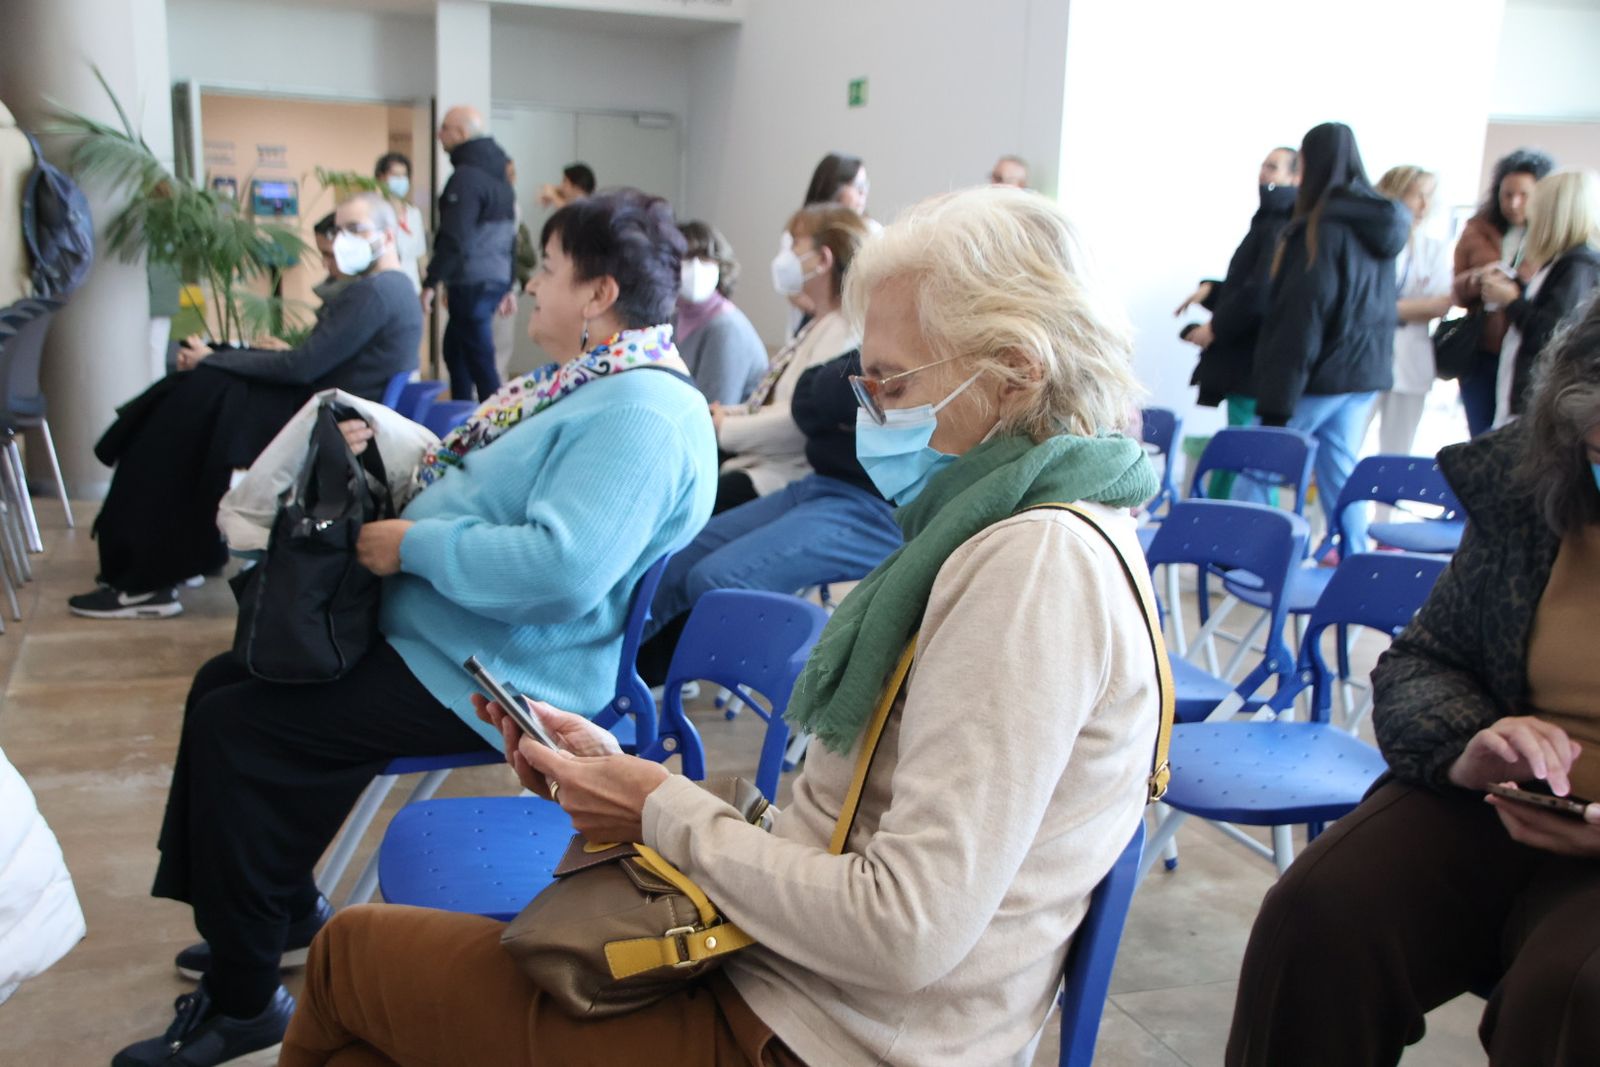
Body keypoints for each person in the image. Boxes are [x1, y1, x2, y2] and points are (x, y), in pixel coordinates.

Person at [275, 183, 1164, 1067]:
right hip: (795, 985)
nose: (874, 410)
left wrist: (656, 806)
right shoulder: (1014, 531)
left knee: (350, 958)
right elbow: (854, 845)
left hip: (817, 1033)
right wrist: (629, 787)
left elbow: (904, 927)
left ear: (1014, 374)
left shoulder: (1036, 565)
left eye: (892, 380)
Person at [111, 189, 716, 1067]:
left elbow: (559, 570)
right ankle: (277, 908)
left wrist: (415, 545)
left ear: (599, 294)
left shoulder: (641, 414)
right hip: (445, 640)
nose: (531, 287)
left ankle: (244, 1001)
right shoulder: (591, 385)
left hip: (494, 677)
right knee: (223, 686)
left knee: (240, 730)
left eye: (547, 269)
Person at [1225, 294, 1600, 1067]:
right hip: (1508, 798)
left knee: (1568, 993)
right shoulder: (1540, 499)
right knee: (1318, 913)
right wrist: (1471, 744)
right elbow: (1425, 658)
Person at [67, 192, 421, 621]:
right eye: (336, 229)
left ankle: (146, 580)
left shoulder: (375, 293)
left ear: (385, 237)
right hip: (317, 404)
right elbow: (316, 358)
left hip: (323, 416)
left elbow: (302, 366)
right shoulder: (388, 289)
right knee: (189, 397)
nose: (340, 239)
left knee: (184, 411)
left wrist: (213, 358)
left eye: (353, 229)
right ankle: (178, 557)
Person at [636, 345, 902, 683]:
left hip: (878, 510)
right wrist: (856, 396)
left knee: (717, 584)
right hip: (820, 484)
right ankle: (613, 681)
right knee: (669, 559)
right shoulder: (883, 331)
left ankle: (662, 688)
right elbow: (806, 398)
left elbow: (830, 397)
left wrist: (846, 396)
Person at [1251, 122, 1409, 557]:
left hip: (1323, 373)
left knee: (1257, 460)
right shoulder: (1381, 227)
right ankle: (1356, 558)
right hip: (1366, 371)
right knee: (1339, 470)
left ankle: (1239, 554)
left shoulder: (1317, 229)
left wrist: (1277, 402)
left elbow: (1302, 321)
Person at [717, 204, 866, 513]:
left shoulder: (845, 329)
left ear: (823, 259)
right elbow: (773, 401)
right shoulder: (819, 323)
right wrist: (729, 414)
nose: (785, 255)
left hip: (784, 473)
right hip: (764, 462)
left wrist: (724, 429)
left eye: (795, 244)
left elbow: (800, 417)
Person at [1178, 145, 1301, 434]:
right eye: (1264, 165)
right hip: (1246, 359)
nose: (1263, 172)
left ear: (1296, 178)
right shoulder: (1268, 220)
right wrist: (1211, 291)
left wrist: (1216, 327)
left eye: (1273, 167)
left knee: (1242, 447)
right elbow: (1247, 286)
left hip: (1252, 362)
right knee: (1238, 442)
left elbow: (1259, 293)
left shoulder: (1278, 223)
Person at [1482, 168, 1600, 426]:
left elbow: (1552, 332)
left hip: (1536, 403)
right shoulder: (1562, 261)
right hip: (1526, 396)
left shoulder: (1578, 265)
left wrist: (1512, 301)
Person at [1453, 148, 1556, 437]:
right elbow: (1455, 292)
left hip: (1527, 354)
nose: (1514, 203)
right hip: (1481, 350)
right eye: (1506, 194)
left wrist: (1512, 291)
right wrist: (1477, 280)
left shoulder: (1552, 238)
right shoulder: (1477, 228)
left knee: (1515, 440)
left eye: (1524, 195)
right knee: (1479, 435)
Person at [420, 105, 517, 403]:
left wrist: (432, 281)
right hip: (494, 278)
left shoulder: (466, 178)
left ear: (460, 133)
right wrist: (509, 282)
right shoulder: (499, 176)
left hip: (473, 281)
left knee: (480, 361)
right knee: (457, 350)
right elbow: (510, 236)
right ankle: (462, 413)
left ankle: (494, 426)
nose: (439, 135)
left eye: (444, 128)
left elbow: (454, 236)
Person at [1371, 165, 1456, 456]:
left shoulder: (1433, 249)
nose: (1425, 205)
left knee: (1396, 451)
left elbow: (1440, 304)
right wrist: (1409, 308)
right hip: (1366, 358)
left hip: (1410, 360)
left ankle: (1386, 504)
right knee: (1342, 445)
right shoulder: (1370, 243)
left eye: (1430, 197)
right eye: (1418, 195)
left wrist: (1381, 309)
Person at [675, 219, 768, 405]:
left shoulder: (725, 328)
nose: (695, 267)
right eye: (686, 258)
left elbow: (714, 409)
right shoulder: (674, 318)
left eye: (704, 258)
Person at [374, 151, 428, 293]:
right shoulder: (373, 212)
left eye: (404, 176)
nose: (400, 180)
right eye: (395, 175)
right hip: (383, 288)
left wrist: (427, 287)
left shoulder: (413, 214)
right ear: (381, 177)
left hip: (411, 287)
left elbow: (420, 255)